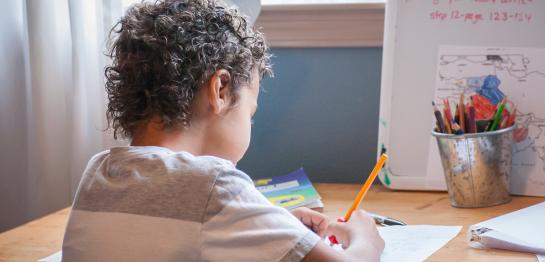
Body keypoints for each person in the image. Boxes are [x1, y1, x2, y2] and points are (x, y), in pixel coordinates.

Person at [61, 0, 384, 261]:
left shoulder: (99, 171)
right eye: (250, 112)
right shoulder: (213, 185)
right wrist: (365, 238)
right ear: (220, 89)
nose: (250, 124)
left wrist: (272, 226)